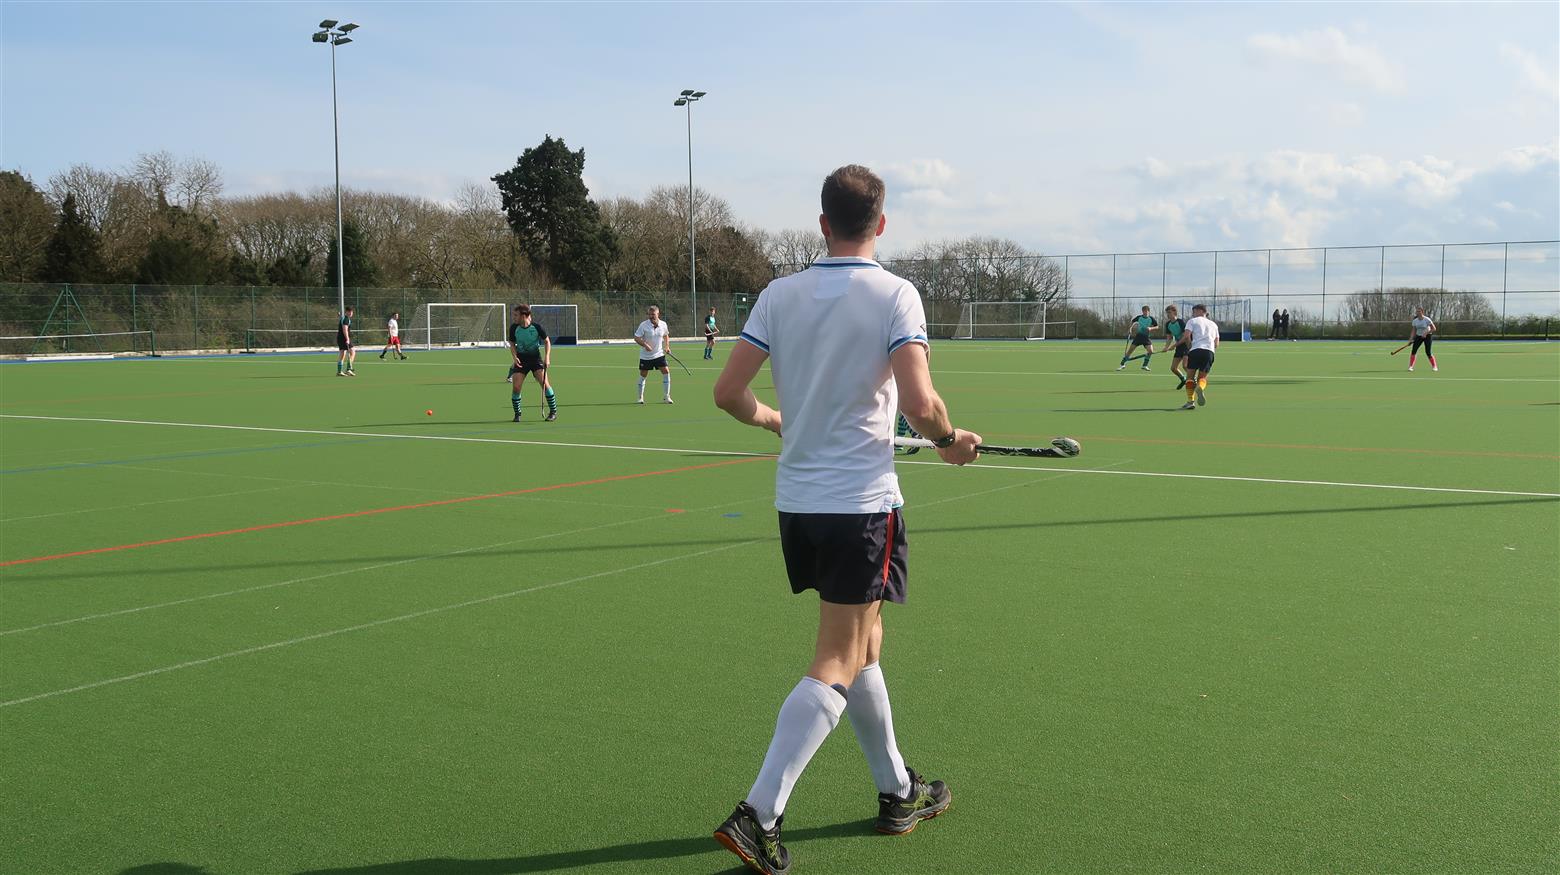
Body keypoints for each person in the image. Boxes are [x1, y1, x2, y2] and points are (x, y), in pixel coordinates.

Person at [711, 164, 979, 875]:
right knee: (837, 654)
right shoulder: (895, 294)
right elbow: (920, 404)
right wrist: (950, 440)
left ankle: (897, 790)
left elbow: (729, 392)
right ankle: (759, 812)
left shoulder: (779, 294)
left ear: (823, 223)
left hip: (798, 505)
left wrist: (773, 418)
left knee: (865, 642)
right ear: (880, 224)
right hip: (860, 507)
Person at [507, 304, 557, 421]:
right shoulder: (514, 328)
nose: (514, 317)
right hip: (521, 360)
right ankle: (517, 414)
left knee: (544, 383)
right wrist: (514, 357)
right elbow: (512, 343)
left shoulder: (537, 327)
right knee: (516, 387)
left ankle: (553, 412)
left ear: (524, 316)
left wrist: (547, 357)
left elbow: (547, 341)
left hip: (535, 360)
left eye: (516, 315)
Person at [1180, 304, 1219, 410]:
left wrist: (1189, 346)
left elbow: (1186, 336)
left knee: (1190, 378)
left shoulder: (1192, 321)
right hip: (1209, 352)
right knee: (1202, 378)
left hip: (1195, 350)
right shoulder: (1214, 324)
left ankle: (1190, 401)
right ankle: (1200, 387)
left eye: (1194, 311)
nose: (1193, 314)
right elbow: (1216, 343)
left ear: (1200, 311)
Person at [633, 305, 673, 404]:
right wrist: (645, 345)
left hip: (659, 354)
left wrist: (667, 347)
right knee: (643, 375)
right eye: (649, 314)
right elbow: (636, 338)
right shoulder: (643, 325)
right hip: (646, 356)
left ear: (658, 314)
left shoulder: (663, 324)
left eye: (653, 314)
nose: (651, 316)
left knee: (666, 372)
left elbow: (666, 335)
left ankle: (666, 397)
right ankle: (640, 397)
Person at [1117, 305, 1157, 371]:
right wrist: (1130, 329)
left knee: (1150, 351)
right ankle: (1122, 364)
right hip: (1138, 337)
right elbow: (1133, 322)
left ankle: (1144, 365)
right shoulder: (1139, 317)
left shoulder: (1151, 319)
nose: (1145, 313)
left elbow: (1157, 326)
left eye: (1147, 311)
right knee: (1129, 351)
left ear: (1149, 311)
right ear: (1142, 311)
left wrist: (1151, 328)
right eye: (1144, 311)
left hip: (1146, 337)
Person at [1160, 305, 1190, 389]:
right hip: (1179, 346)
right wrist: (1166, 347)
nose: (1168, 314)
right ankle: (1183, 379)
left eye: (1169, 312)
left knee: (1185, 365)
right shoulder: (1168, 324)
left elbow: (1185, 337)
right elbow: (1169, 337)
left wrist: (1173, 346)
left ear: (1175, 312)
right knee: (1173, 368)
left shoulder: (1180, 322)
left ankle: (1193, 379)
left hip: (1187, 345)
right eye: (1167, 313)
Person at [1407, 307, 1438, 372]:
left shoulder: (1427, 319)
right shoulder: (1415, 321)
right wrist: (1410, 339)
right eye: (1417, 311)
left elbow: (1434, 328)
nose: (1418, 313)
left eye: (1419, 311)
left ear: (1422, 312)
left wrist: (1426, 333)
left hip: (1428, 336)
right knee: (1413, 351)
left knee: (1428, 352)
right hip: (1419, 336)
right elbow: (1413, 331)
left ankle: (1434, 366)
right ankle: (1411, 366)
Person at [336, 305, 356, 377]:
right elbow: (345, 329)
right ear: (346, 312)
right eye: (349, 312)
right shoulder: (346, 319)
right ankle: (348, 369)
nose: (351, 313)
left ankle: (339, 371)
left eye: (352, 312)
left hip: (340, 338)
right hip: (344, 338)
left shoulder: (344, 318)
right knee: (352, 351)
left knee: (342, 354)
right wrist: (347, 339)